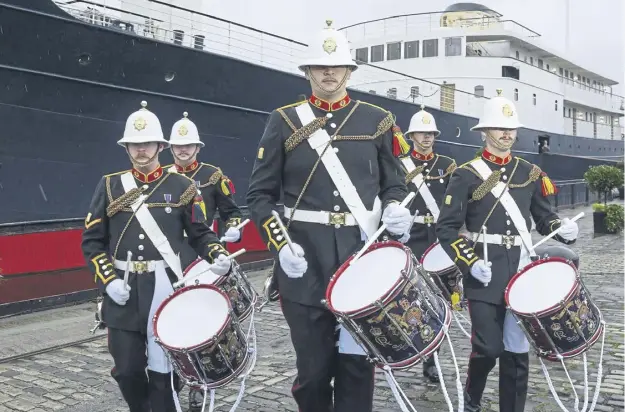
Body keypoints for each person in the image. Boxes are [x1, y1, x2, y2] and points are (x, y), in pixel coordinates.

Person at [246, 19, 413, 412]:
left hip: (360, 262)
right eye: (319, 66)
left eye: (335, 65)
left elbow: (395, 182)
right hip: (305, 265)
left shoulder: (377, 118)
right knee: (314, 373)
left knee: (358, 369)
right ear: (307, 71)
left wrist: (394, 207)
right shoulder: (284, 120)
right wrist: (279, 242)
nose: (328, 72)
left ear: (349, 70)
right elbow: (260, 194)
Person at [81, 101, 232, 412]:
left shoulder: (183, 186)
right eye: (135, 145)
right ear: (126, 148)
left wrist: (217, 252)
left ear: (161, 146)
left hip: (166, 286)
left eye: (147, 143)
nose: (141, 151)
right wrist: (108, 281)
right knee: (127, 370)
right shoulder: (110, 186)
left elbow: (200, 232)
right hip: (124, 288)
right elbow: (93, 241)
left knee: (164, 373)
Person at [435, 89, 579, 412]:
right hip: (483, 274)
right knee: (488, 348)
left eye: (511, 128)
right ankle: (471, 398)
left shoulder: (529, 173)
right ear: (485, 131)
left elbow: (544, 219)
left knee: (516, 351)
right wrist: (469, 263)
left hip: (520, 272)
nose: (506, 133)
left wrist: (562, 228)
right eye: (500, 127)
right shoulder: (466, 174)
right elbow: (445, 228)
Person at [165, 111, 244, 411]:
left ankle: (198, 383)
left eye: (188, 146)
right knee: (174, 321)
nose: (182, 150)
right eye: (177, 146)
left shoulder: (213, 176)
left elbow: (231, 211)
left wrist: (234, 228)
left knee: (199, 324)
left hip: (203, 258)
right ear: (170, 148)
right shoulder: (162, 178)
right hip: (172, 259)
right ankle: (174, 375)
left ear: (198, 148)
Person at [396, 105, 456, 383]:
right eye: (422, 133)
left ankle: (432, 358)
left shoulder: (447, 164)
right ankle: (415, 348)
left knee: (442, 298)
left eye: (431, 133)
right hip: (414, 236)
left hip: (440, 236)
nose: (427, 137)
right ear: (411, 135)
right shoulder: (401, 163)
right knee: (414, 298)